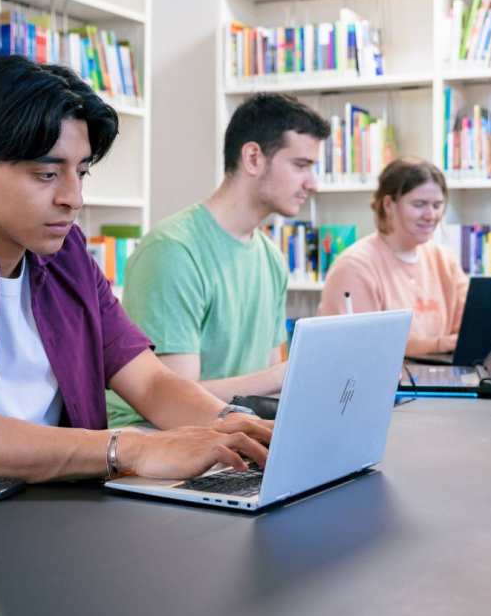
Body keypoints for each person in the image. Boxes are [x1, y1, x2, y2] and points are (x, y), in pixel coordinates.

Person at [0, 55, 270, 482]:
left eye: (82, 171)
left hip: (50, 512)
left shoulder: (67, 252)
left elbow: (149, 381)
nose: (73, 198)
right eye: (47, 174)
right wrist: (128, 448)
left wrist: (235, 426)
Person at [107, 92, 330, 427]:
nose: (312, 184)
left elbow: (267, 385)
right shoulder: (173, 251)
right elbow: (172, 402)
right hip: (155, 440)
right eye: (301, 166)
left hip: (232, 433)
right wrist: (288, 373)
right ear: (253, 158)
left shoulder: (271, 258)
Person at [318, 157, 468, 357]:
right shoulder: (355, 266)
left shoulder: (445, 261)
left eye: (437, 205)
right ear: (388, 204)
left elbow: (468, 332)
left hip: (439, 378)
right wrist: (438, 345)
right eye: (419, 204)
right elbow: (365, 348)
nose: (430, 215)